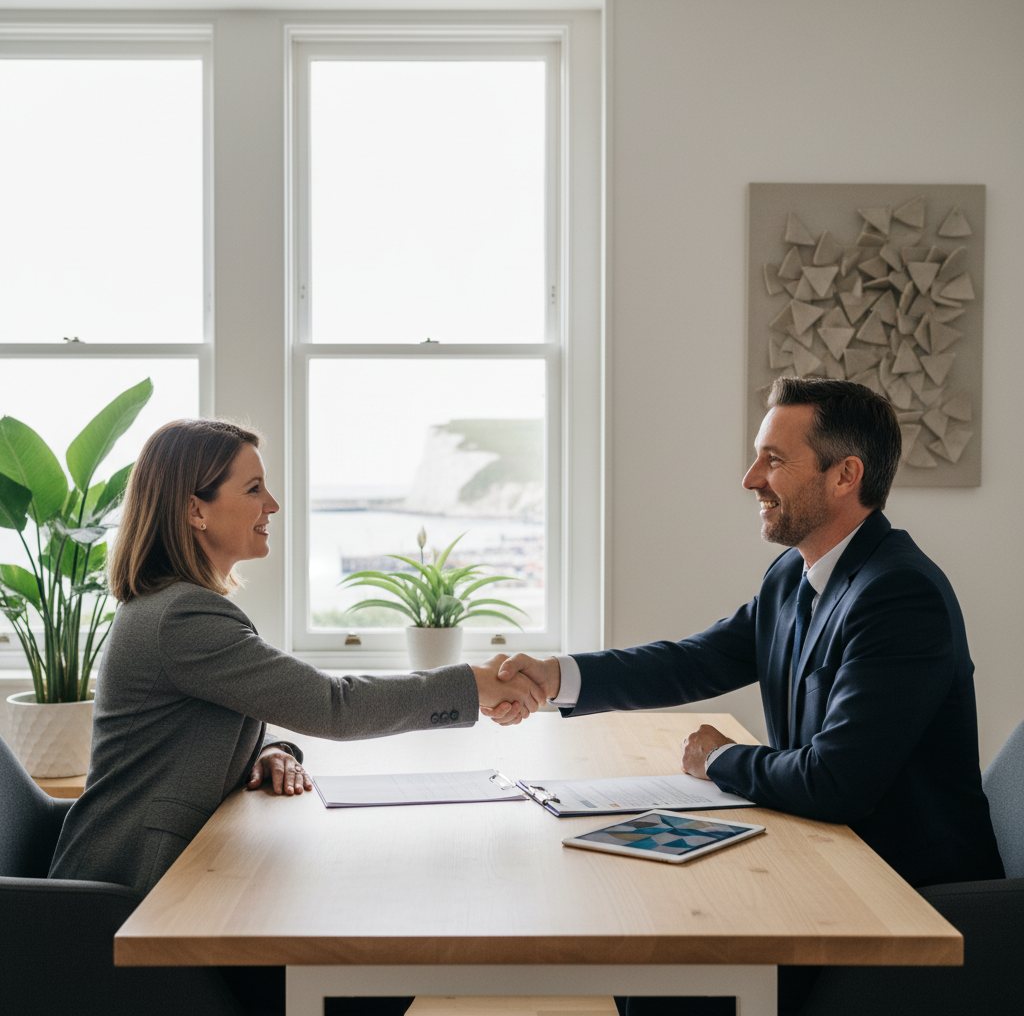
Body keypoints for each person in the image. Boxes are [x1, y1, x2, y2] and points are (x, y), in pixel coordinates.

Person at [487, 377, 1004, 1015]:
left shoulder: (900, 596)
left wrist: (720, 759)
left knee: (671, 981)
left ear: (845, 475)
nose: (750, 478)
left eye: (775, 460)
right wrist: (555, 677)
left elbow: (836, 781)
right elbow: (697, 659)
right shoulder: (796, 572)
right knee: (650, 937)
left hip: (900, 901)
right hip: (825, 860)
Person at [48, 418, 543, 1016]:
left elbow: (204, 721)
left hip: (167, 880)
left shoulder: (173, 608)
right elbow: (333, 705)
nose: (272, 504)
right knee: (375, 965)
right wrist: (474, 685)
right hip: (139, 903)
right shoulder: (184, 619)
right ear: (195, 511)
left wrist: (267, 752)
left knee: (375, 949)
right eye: (253, 488)